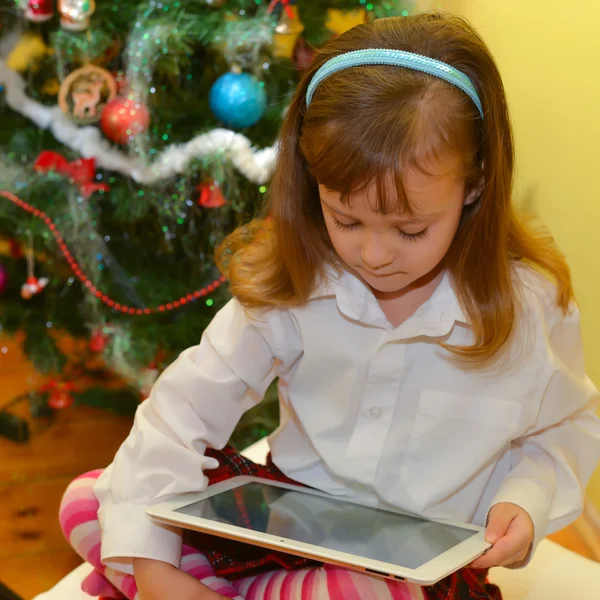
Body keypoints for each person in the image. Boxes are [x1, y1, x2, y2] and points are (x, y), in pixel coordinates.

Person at [59, 11, 600, 600]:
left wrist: (525, 502)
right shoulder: (295, 277)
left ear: (474, 184)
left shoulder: (528, 305)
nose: (373, 254)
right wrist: (156, 570)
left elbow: (564, 432)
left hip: (417, 571)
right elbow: (178, 414)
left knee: (368, 593)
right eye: (345, 218)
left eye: (410, 230)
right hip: (288, 524)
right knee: (91, 499)